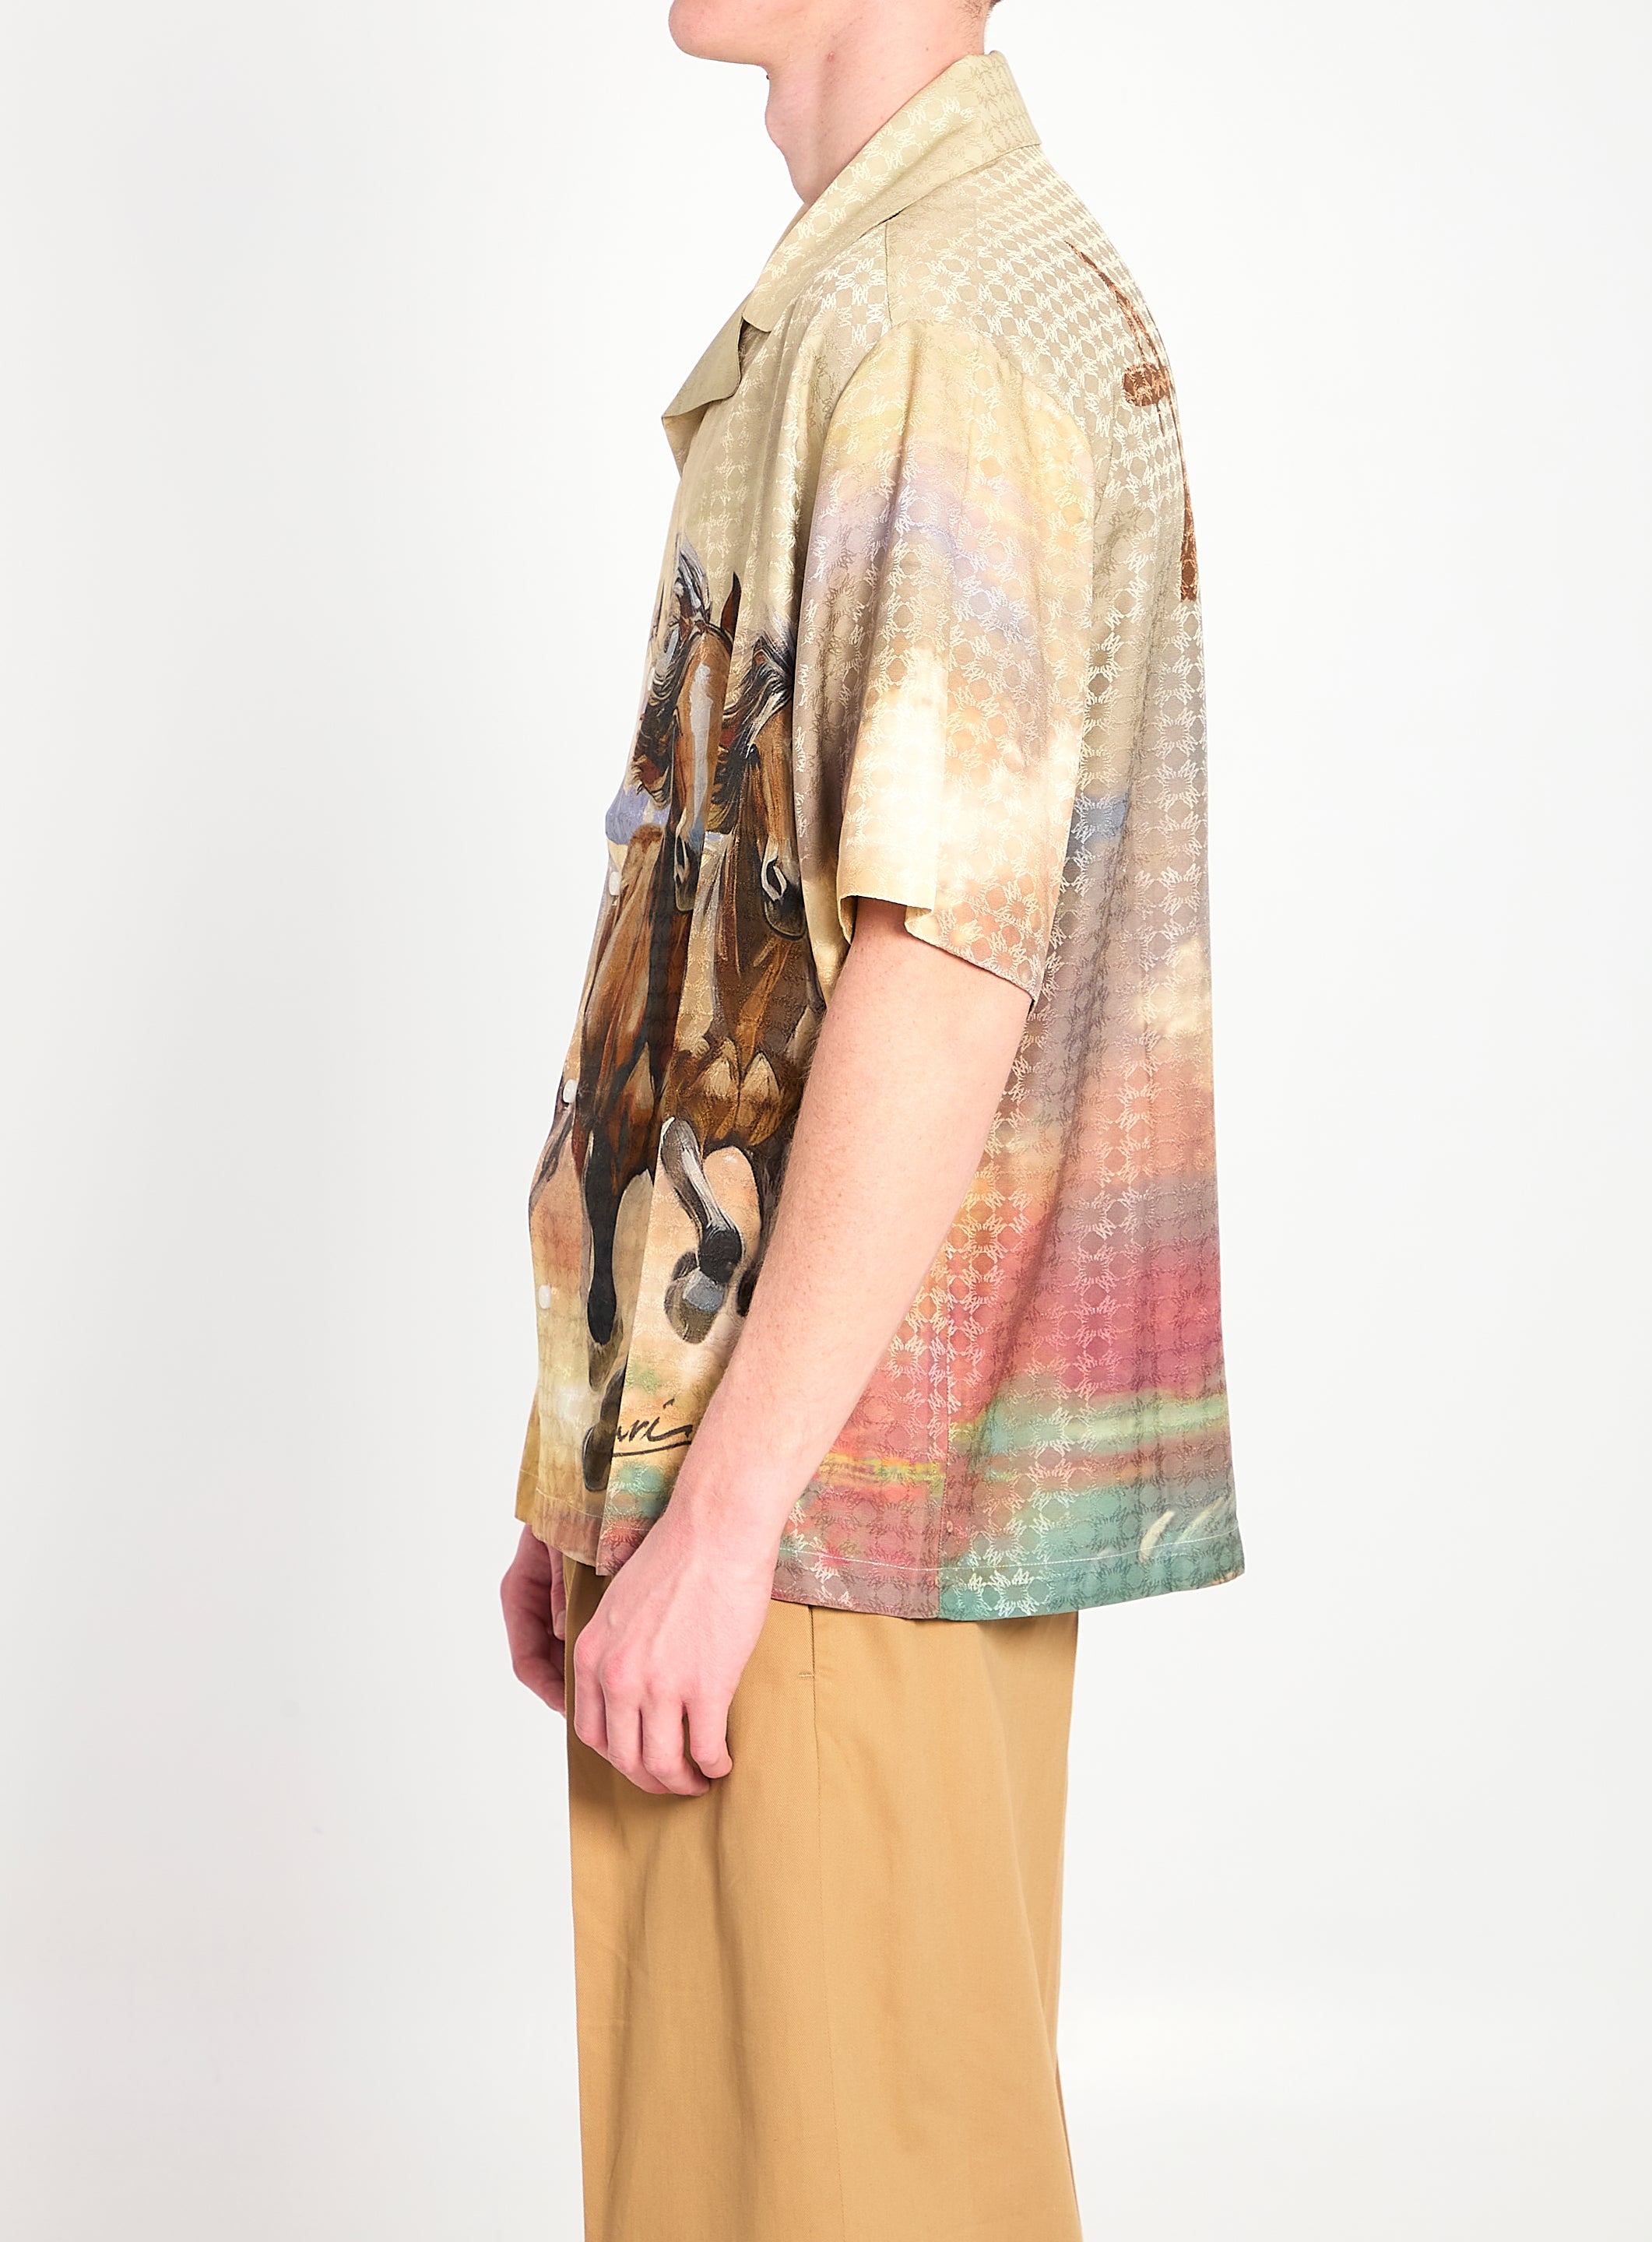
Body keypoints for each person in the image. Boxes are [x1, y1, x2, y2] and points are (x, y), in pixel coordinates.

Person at [500, 3, 1243, 2234]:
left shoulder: (934, 324)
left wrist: (721, 1515)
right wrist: (618, 1463)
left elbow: (944, 959)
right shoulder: (906, 281)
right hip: (804, 1483)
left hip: (824, 1509)